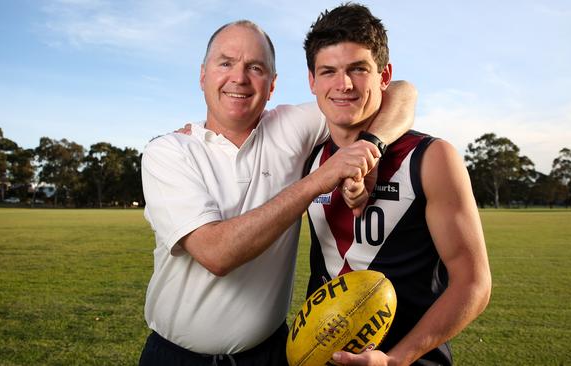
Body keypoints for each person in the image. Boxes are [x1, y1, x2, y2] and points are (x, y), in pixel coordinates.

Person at [139, 19, 417, 365]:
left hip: (271, 354)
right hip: (176, 357)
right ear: (202, 76)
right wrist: (324, 176)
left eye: (255, 68)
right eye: (225, 63)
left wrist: (370, 146)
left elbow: (400, 92)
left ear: (272, 85)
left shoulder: (289, 125)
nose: (239, 78)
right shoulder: (168, 152)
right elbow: (216, 254)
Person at [301, 4, 492, 366]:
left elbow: (473, 284)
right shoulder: (307, 156)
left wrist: (397, 359)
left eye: (358, 69)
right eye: (328, 71)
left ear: (384, 75)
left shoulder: (431, 157)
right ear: (312, 80)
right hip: (323, 355)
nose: (343, 84)